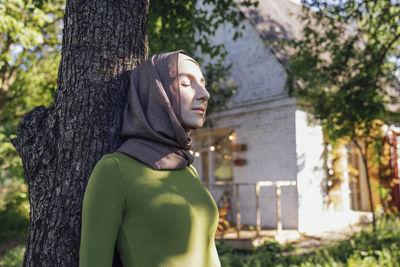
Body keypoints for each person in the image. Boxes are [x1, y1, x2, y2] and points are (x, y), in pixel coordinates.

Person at [79, 50, 221, 267]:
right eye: (186, 84)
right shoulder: (115, 170)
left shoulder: (186, 167)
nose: (204, 93)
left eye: (202, 83)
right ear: (157, 93)